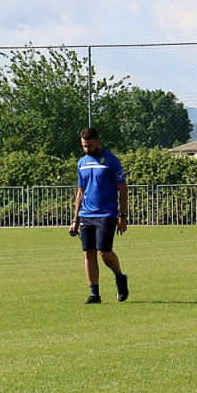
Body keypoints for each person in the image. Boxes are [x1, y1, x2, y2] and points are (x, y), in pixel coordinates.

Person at [70, 127, 129, 304]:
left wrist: (123, 215)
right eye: (83, 146)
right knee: (89, 254)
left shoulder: (111, 161)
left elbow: (123, 189)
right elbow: (80, 192)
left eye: (89, 145)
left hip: (106, 213)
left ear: (98, 141)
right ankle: (94, 294)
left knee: (103, 252)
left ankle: (120, 276)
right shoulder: (82, 163)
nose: (86, 149)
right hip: (86, 214)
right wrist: (75, 219)